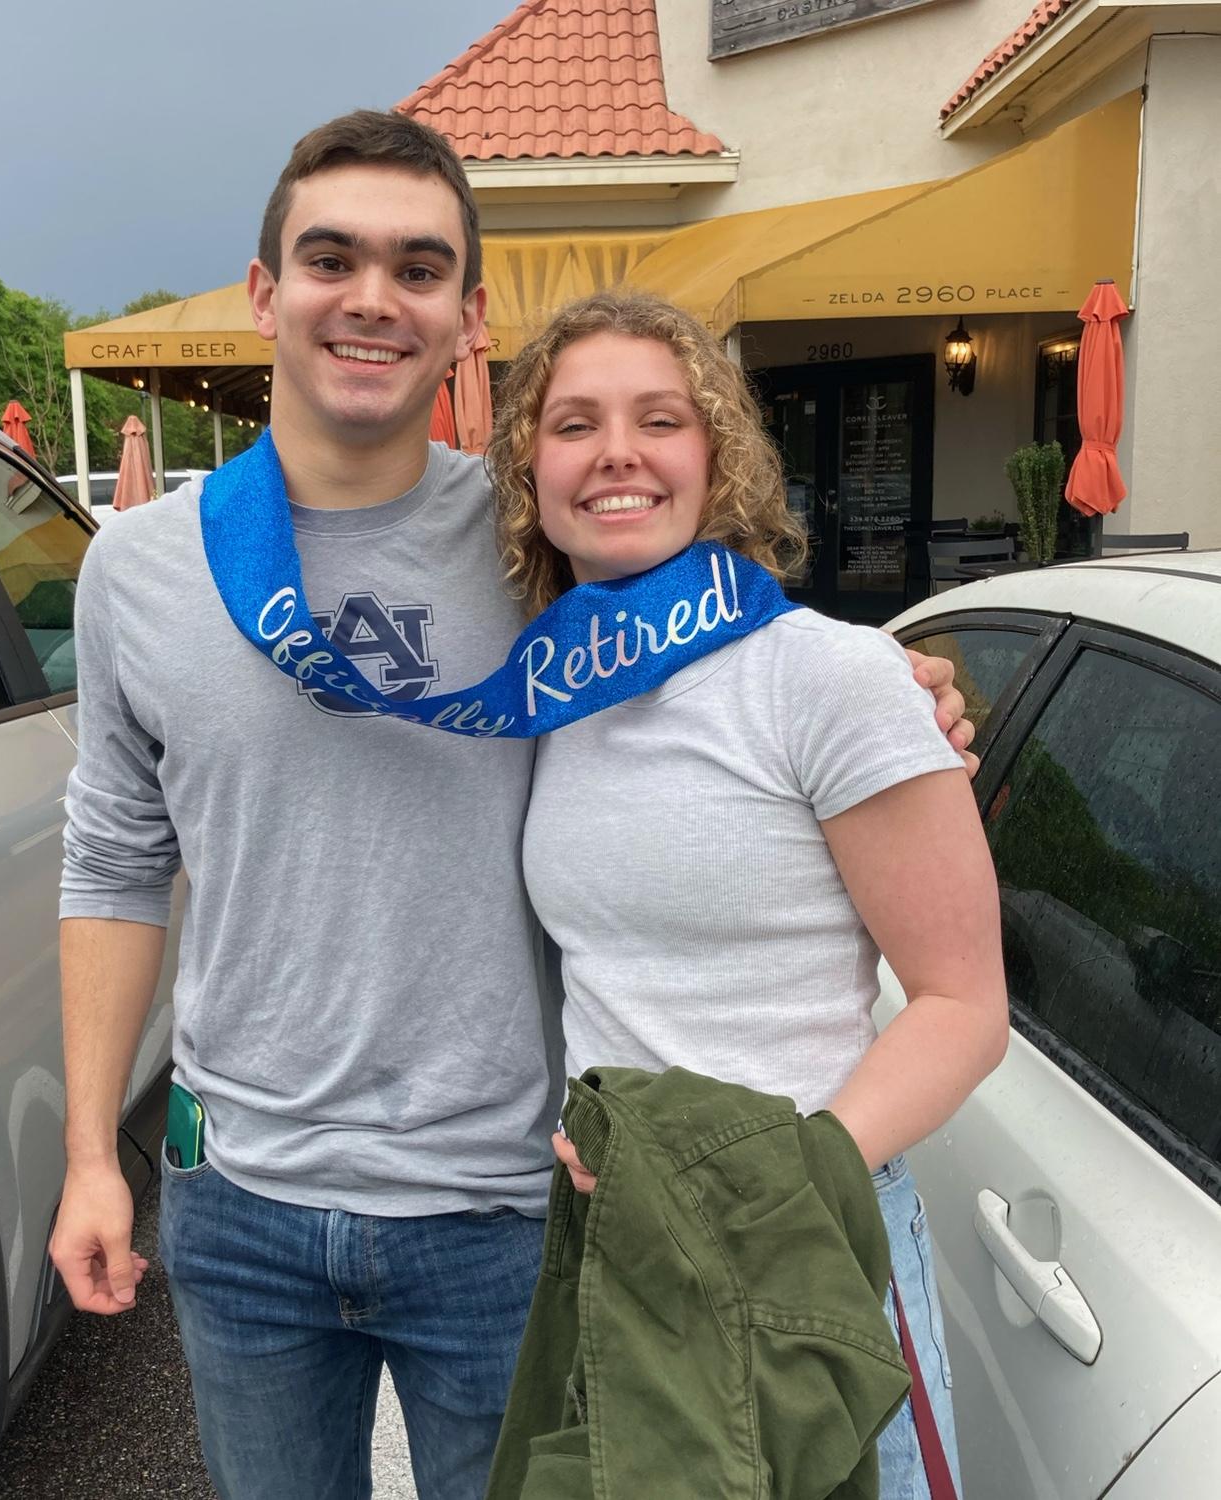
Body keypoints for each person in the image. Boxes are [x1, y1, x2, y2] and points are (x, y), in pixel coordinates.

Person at [49, 112, 976, 1500]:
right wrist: (89, 1156)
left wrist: (903, 695)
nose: (374, 298)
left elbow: (720, 663)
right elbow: (114, 861)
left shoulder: (532, 541)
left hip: (507, 1208)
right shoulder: (136, 568)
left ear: (468, 319)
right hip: (242, 1199)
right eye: (332, 260)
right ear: (264, 292)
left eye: (420, 269)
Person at [485, 290, 1009, 1497]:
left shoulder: (828, 676)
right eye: (575, 424)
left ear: (717, 457)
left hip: (805, 1229)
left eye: (659, 419)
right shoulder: (553, 691)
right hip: (625, 1244)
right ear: (529, 474)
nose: (617, 452)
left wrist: (777, 1183)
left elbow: (963, 1006)